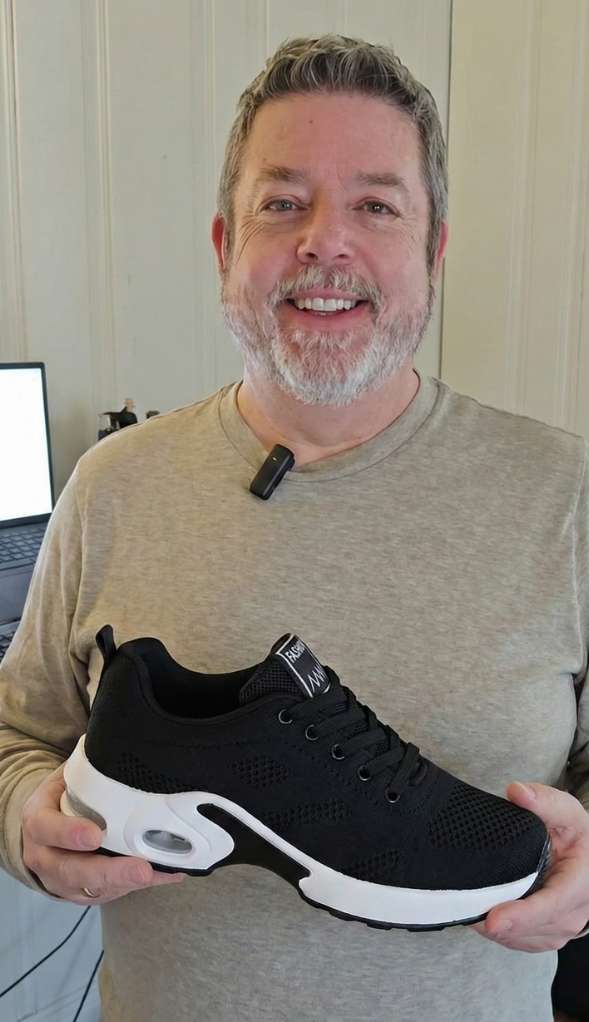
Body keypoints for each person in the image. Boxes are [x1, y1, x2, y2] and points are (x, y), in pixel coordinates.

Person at [0, 33, 587, 1022]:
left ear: (433, 253)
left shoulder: (563, 495)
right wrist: (25, 819)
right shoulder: (111, 488)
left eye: (375, 206)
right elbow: (16, 732)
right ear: (224, 246)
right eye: (282, 203)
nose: (325, 242)